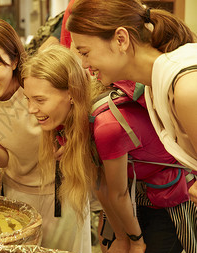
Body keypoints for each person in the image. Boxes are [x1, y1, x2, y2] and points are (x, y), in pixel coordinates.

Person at [23, 44, 197, 253]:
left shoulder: (106, 126)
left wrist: (133, 241)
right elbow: (102, 188)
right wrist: (117, 234)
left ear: (71, 94)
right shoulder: (71, 124)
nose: (31, 109)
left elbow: (114, 192)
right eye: (27, 98)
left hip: (173, 201)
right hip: (136, 197)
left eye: (40, 100)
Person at [0, 17, 92, 253]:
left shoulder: (37, 83)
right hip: (16, 194)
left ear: (14, 60)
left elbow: (83, 106)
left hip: (61, 193)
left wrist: (73, 137)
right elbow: (3, 161)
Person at [66, 0, 197, 204]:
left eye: (85, 53)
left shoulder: (186, 89)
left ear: (121, 39)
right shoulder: (153, 86)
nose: (84, 64)